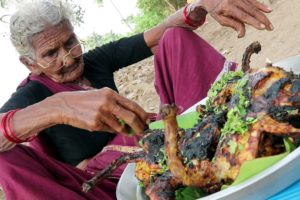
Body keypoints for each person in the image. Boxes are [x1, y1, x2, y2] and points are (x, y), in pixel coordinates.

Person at [0, 0, 273, 199]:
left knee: (175, 38)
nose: (68, 57)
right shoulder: (32, 93)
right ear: (30, 63)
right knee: (4, 159)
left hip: (167, 143)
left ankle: (242, 122)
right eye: (51, 53)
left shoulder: (93, 62)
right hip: (108, 184)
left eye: (70, 41)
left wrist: (200, 5)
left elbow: (160, 34)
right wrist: (59, 107)